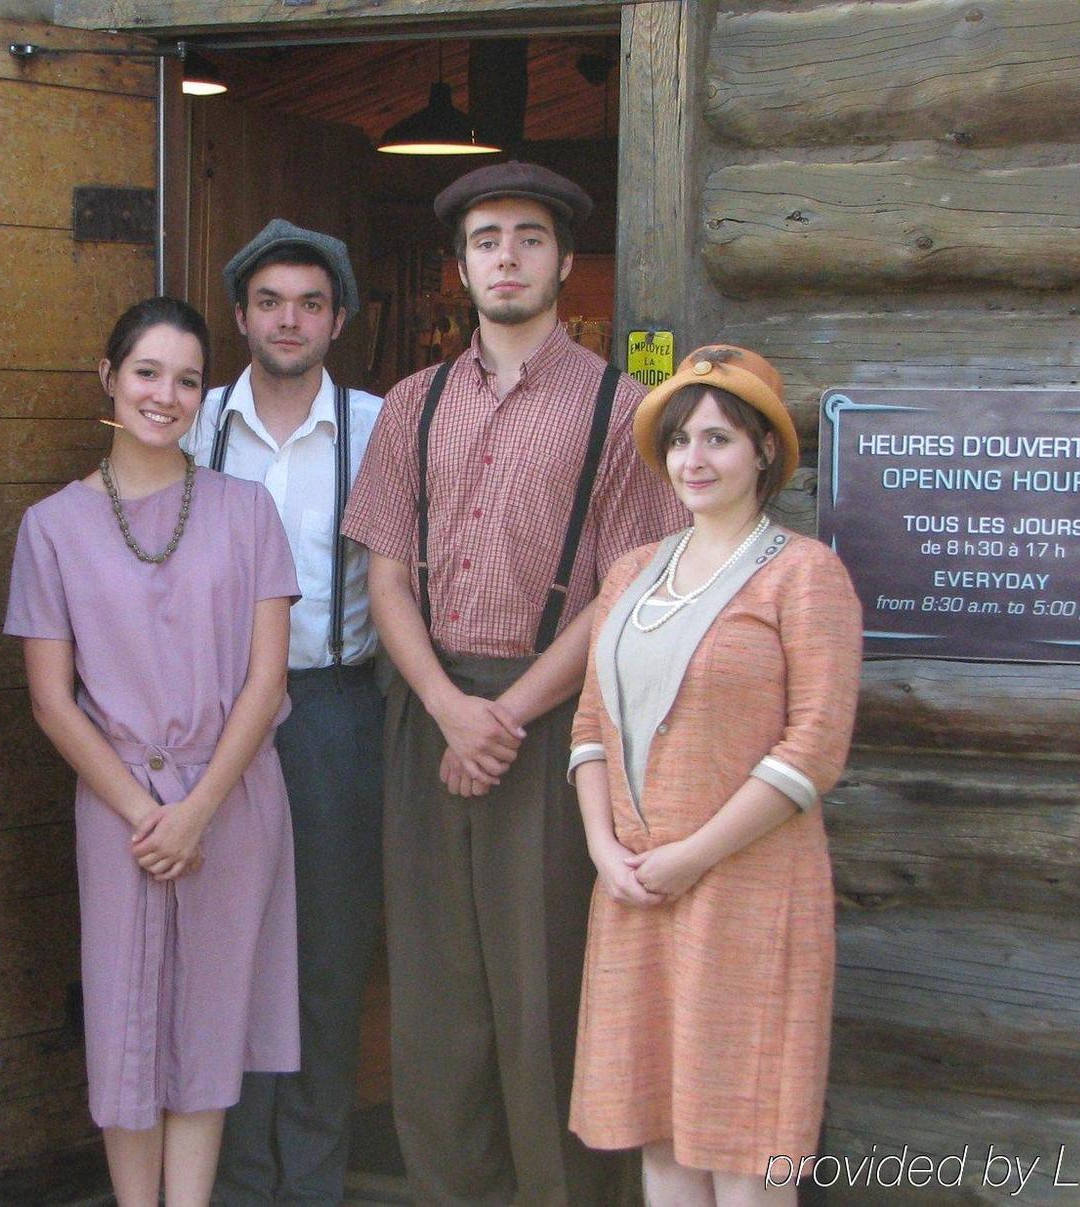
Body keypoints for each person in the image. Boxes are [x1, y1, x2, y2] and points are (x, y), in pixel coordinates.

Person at [339, 161, 687, 1204]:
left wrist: (506, 713)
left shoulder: (622, 409)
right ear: (459, 266)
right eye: (486, 238)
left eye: (527, 238)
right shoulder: (412, 402)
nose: (505, 255)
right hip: (427, 707)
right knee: (435, 991)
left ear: (563, 262)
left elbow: (624, 591)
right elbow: (386, 572)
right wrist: (448, 708)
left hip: (554, 720)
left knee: (545, 989)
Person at [5, 297, 301, 1207]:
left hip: (233, 796)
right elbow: (54, 701)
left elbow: (265, 681)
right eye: (146, 372)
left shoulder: (247, 511)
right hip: (121, 804)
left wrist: (201, 807)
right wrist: (145, 813)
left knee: (210, 1028)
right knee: (126, 1027)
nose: (164, 395)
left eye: (185, 379)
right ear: (109, 377)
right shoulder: (50, 526)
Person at [567, 345, 862, 1206]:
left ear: (764, 451)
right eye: (682, 440)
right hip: (633, 892)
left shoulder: (804, 574)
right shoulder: (631, 571)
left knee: (744, 1139)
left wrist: (692, 854)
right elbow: (592, 723)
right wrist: (602, 847)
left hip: (747, 890)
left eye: (720, 439)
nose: (694, 459)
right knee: (660, 1132)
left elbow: (815, 746)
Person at [183, 220, 387, 1206]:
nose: (288, 319)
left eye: (310, 302)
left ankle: (310, 1180)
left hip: (330, 712)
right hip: (209, 715)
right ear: (239, 316)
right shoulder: (194, 418)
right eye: (269, 302)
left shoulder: (379, 423)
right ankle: (236, 1178)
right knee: (226, 947)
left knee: (327, 953)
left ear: (338, 318)